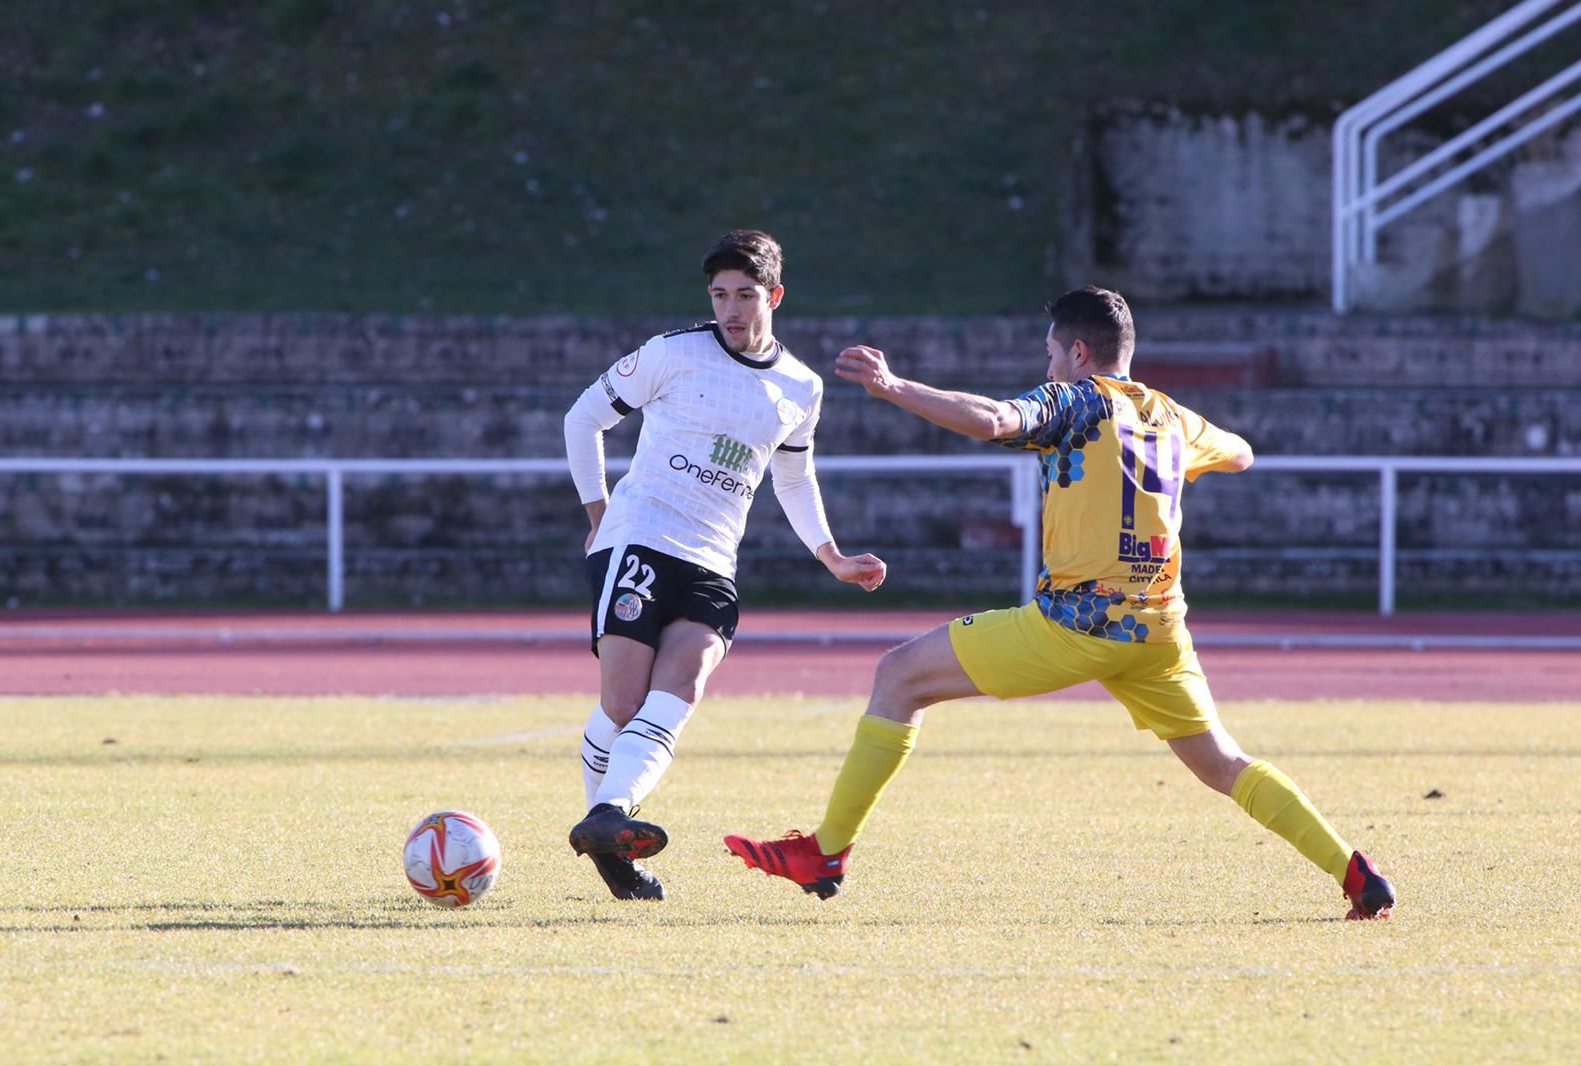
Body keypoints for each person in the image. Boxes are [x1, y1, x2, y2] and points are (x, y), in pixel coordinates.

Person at [724, 285, 1397, 921]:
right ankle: (1356, 874)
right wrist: (1171, 461)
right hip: (1160, 630)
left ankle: (826, 853)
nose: (1046, 367)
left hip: (1078, 623)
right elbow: (1243, 454)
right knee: (1223, 764)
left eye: (1050, 355)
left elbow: (993, 419)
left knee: (898, 675)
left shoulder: (1075, 400)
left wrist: (894, 386)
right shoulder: (1166, 414)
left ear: (1077, 354)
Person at [561, 229, 887, 901]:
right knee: (622, 705)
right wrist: (599, 515)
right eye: (719, 295)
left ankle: (605, 819)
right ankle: (610, 835)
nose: (731, 310)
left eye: (745, 295)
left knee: (685, 682)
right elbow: (582, 419)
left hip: (711, 563)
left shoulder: (800, 386)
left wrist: (832, 556)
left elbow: (794, 480)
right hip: (641, 542)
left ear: (775, 296)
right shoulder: (672, 354)